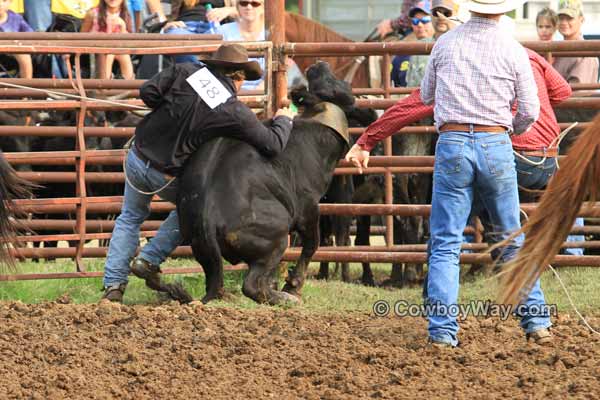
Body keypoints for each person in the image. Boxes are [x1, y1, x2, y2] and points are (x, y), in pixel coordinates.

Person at [387, 0, 547, 347]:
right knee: (510, 237)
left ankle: (443, 331)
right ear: (502, 9)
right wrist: (509, 131)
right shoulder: (512, 48)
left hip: (453, 141)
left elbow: (426, 94)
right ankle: (535, 321)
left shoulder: (446, 42)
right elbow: (530, 110)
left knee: (445, 241)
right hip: (496, 141)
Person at [102, 44, 296, 302]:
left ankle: (113, 287)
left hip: (137, 159)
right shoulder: (234, 111)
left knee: (129, 218)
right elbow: (272, 144)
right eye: (243, 79)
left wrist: (167, 109)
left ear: (215, 65)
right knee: (191, 212)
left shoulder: (185, 70)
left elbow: (148, 92)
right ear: (237, 77)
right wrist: (284, 119)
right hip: (167, 176)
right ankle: (149, 258)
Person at [216, 0, 264, 90]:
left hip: (264, 89)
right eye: (244, 3)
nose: (249, 7)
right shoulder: (223, 31)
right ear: (238, 7)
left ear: (262, 8)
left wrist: (263, 88)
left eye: (255, 4)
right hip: (230, 89)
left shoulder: (270, 33)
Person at [81, 0, 134, 80]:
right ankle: (105, 85)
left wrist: (122, 26)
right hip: (95, 51)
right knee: (109, 54)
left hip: (118, 49)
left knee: (124, 54)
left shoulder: (125, 14)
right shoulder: (93, 14)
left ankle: (129, 85)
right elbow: (82, 37)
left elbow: (129, 42)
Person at [554, 0, 599, 84]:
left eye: (569, 18)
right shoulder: (556, 50)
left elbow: (578, 93)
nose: (564, 22)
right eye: (561, 18)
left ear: (581, 20)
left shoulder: (586, 55)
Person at [404, 0, 434, 88]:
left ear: (435, 21)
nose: (420, 25)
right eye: (415, 21)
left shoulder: (443, 47)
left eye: (425, 20)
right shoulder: (401, 52)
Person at [0, 0, 33, 79]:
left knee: (23, 55)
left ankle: (26, 86)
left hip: (12, 53)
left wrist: (19, 42)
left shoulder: (16, 18)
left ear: (10, 2)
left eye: (4, 0)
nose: (0, 4)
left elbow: (30, 35)